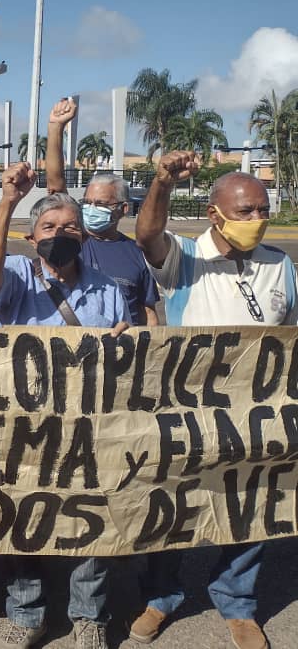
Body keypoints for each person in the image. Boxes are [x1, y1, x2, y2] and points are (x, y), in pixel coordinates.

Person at [129, 154, 294, 649]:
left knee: (250, 507)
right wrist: (160, 183)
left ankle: (237, 602)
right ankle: (161, 595)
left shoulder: (281, 264)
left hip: (256, 415)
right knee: (173, 505)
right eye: (245, 211)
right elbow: (146, 237)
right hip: (186, 414)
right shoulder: (182, 256)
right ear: (214, 213)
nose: (257, 220)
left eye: (262, 210)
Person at [0, 163, 129, 649]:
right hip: (27, 425)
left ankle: (88, 614)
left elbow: (126, 356)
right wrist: (6, 201)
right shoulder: (19, 274)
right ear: (31, 235)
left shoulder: (108, 290)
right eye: (48, 227)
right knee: (25, 519)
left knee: (92, 516)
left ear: (84, 236)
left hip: (89, 426)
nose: (59, 234)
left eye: (69, 227)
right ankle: (27, 614)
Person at [44, 98, 159, 326]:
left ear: (122, 209)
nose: (90, 209)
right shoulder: (74, 240)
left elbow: (147, 312)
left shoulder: (136, 254)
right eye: (86, 202)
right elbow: (55, 186)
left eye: (100, 204)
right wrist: (56, 128)